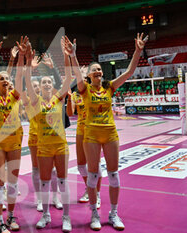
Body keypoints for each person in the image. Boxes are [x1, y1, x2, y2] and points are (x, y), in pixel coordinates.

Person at [64, 33, 148, 230]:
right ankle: (94, 214)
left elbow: (129, 72)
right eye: (95, 70)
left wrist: (137, 51)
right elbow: (77, 72)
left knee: (113, 175)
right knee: (93, 176)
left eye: (100, 69)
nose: (99, 71)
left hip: (110, 134)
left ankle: (113, 214)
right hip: (91, 135)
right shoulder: (84, 90)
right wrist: (73, 55)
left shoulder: (110, 87)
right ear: (89, 75)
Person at [25, 40, 73, 232]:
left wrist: (67, 56)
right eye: (43, 81)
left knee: (62, 181)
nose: (45, 83)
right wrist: (28, 63)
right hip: (43, 147)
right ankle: (45, 215)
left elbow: (69, 77)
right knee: (45, 182)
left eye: (48, 82)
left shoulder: (58, 99)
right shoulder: (35, 101)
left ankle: (66, 218)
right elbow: (28, 82)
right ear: (40, 86)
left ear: (52, 85)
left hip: (60, 146)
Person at [0, 35, 26, 233]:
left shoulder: (14, 96)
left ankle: (11, 216)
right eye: (1, 79)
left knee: (13, 181)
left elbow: (19, 77)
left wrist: (21, 58)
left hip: (14, 143)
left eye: (6, 79)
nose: (4, 81)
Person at [67, 77, 102, 209]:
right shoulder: (76, 95)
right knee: (81, 165)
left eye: (84, 80)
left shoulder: (95, 92)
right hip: (81, 130)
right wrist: (69, 98)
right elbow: (70, 113)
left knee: (95, 164)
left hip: (94, 129)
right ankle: (89, 189)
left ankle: (96, 194)